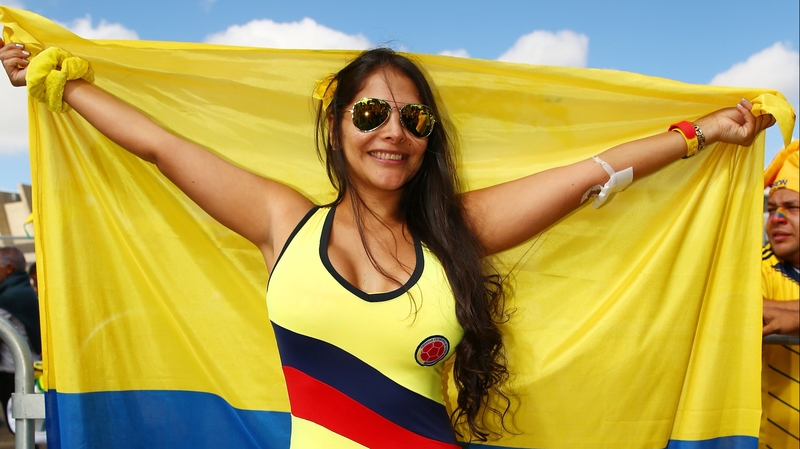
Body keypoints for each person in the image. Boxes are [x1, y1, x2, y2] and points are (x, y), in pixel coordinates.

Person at [0, 41, 776, 447]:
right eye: (370, 114)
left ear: (428, 139)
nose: (392, 131)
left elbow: (588, 176)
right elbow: (160, 147)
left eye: (413, 119)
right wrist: (56, 80)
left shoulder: (456, 232)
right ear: (336, 128)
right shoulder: (281, 220)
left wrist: (704, 132)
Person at [759, 140, 799, 448]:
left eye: (792, 208)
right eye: (772, 209)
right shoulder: (752, 266)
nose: (777, 219)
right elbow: (746, 311)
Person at [0, 246, 42, 433]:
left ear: (9, 268)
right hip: (30, 366)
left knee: (21, 428)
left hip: (14, 371)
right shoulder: (25, 291)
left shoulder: (8, 297)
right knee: (29, 428)